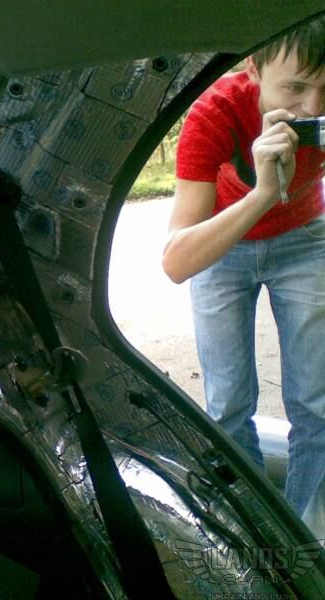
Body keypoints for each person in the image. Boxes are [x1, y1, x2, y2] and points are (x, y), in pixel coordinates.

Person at [162, 16, 325, 516]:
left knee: (317, 404)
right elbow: (176, 262)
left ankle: (303, 537)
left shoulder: (317, 105)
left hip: (304, 238)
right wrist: (264, 194)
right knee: (228, 404)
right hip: (223, 243)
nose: (313, 107)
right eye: (295, 88)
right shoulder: (214, 113)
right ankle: (251, 523)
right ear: (253, 68)